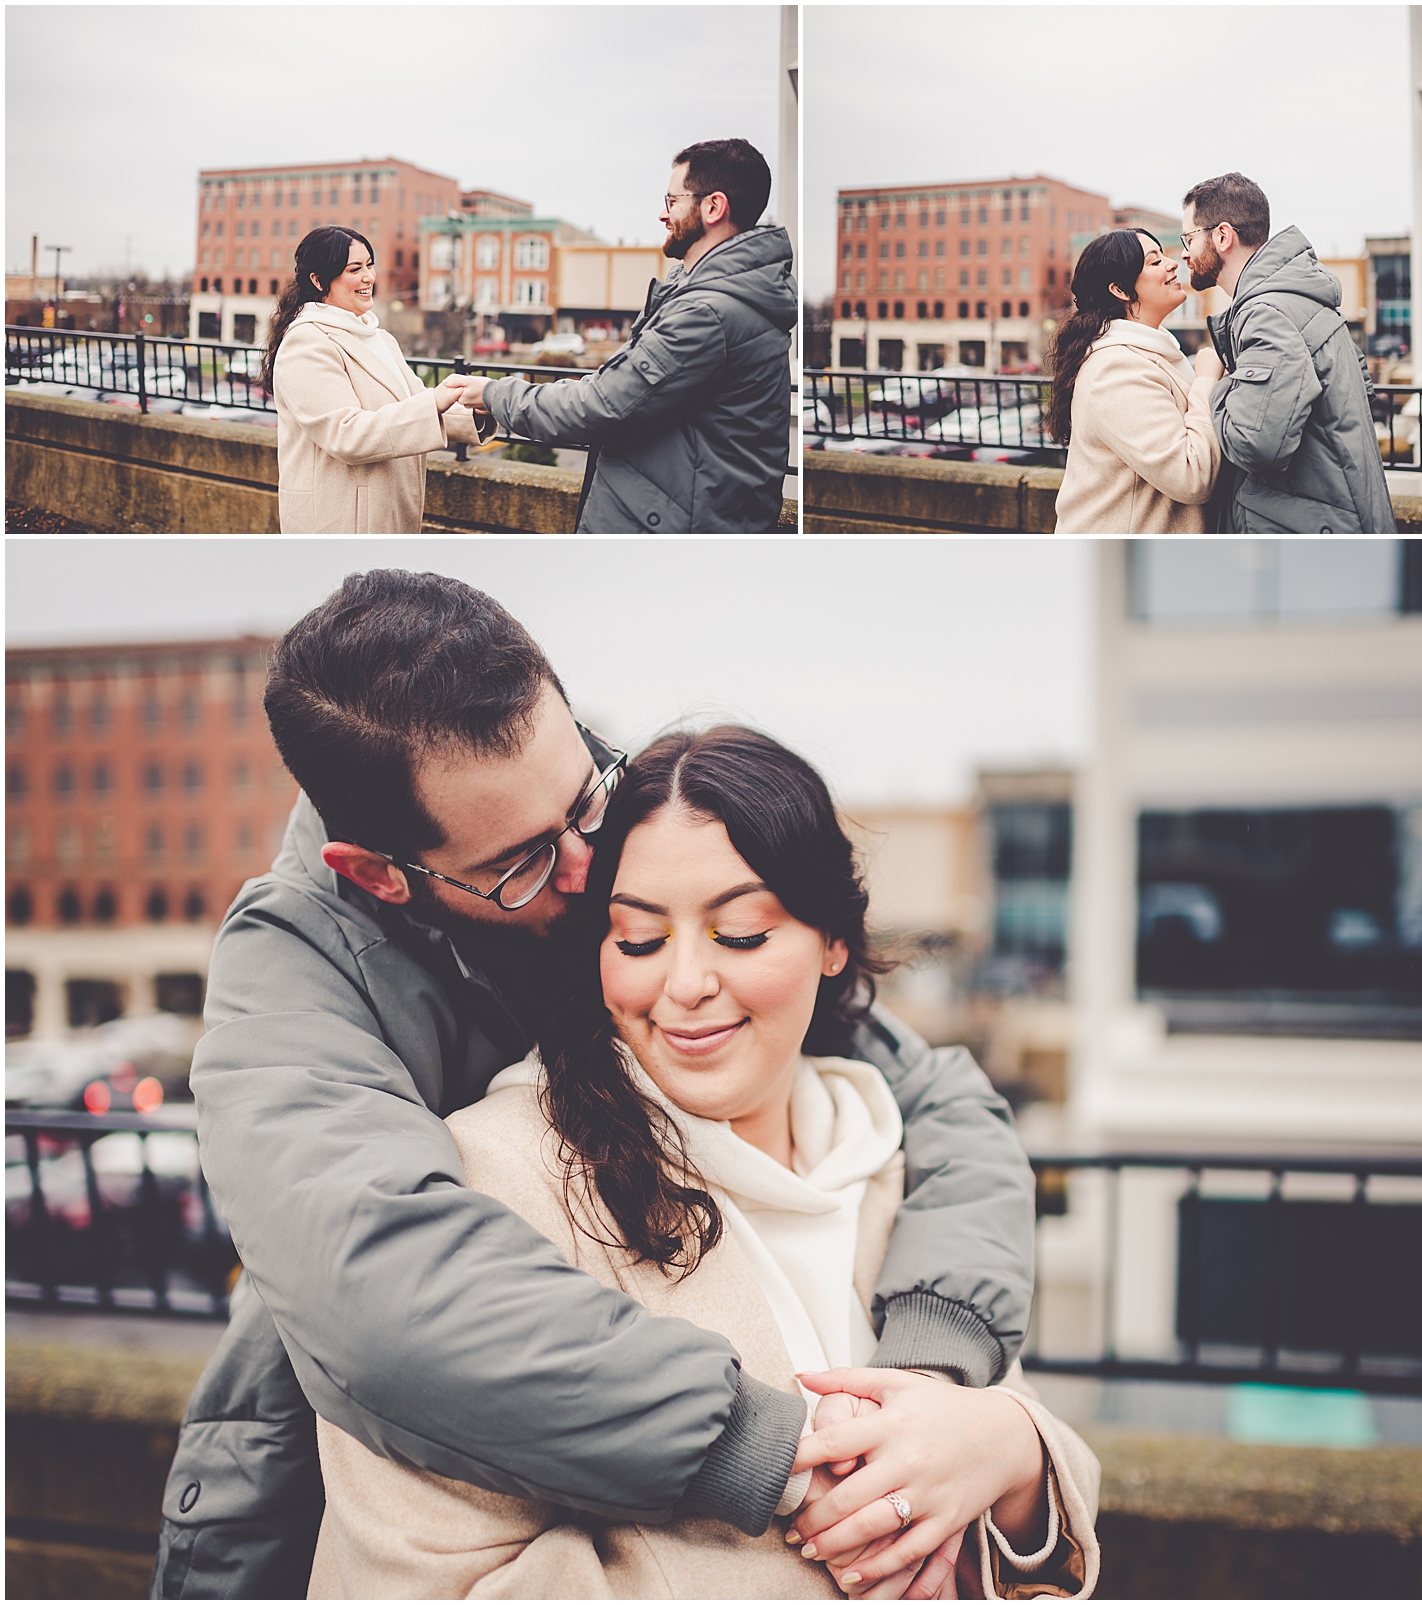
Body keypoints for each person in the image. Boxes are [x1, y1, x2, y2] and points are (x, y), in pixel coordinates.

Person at [152, 570, 1040, 1598]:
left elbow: (940, 1103)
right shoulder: (285, 978)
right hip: (342, 1508)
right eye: (525, 862)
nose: (587, 871)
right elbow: (388, 1301)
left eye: (587, 797)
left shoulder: (600, 821)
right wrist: (794, 1453)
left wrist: (922, 1393)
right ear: (378, 873)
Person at [307, 725, 1101, 1600]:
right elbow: (418, 1572)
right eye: (640, 941)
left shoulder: (891, 1155)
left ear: (833, 942)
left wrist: (1011, 1455)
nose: (685, 982)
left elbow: (1021, 1547)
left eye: (743, 934)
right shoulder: (494, 1172)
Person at [453, 139, 795, 533]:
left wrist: (494, 394)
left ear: (713, 207)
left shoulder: (707, 314)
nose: (662, 215)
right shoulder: (723, 298)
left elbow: (600, 406)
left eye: (672, 201)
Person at [1180, 172, 1397, 533]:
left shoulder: (1266, 314)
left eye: (1188, 238)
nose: (1185, 253)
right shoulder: (1299, 301)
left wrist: (1210, 383)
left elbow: (1255, 444)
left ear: (1222, 236)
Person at [263, 227, 492, 534]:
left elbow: (417, 405)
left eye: (369, 265)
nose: (368, 277)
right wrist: (434, 400)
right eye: (353, 269)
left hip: (389, 512)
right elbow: (346, 435)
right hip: (338, 522)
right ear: (318, 281)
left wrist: (483, 409)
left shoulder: (379, 337)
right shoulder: (307, 341)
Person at [1050, 229, 1223, 533]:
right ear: (1120, 290)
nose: (1172, 264)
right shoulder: (1116, 369)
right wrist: (1206, 381)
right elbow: (1190, 476)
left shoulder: (1152, 353)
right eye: (1154, 262)